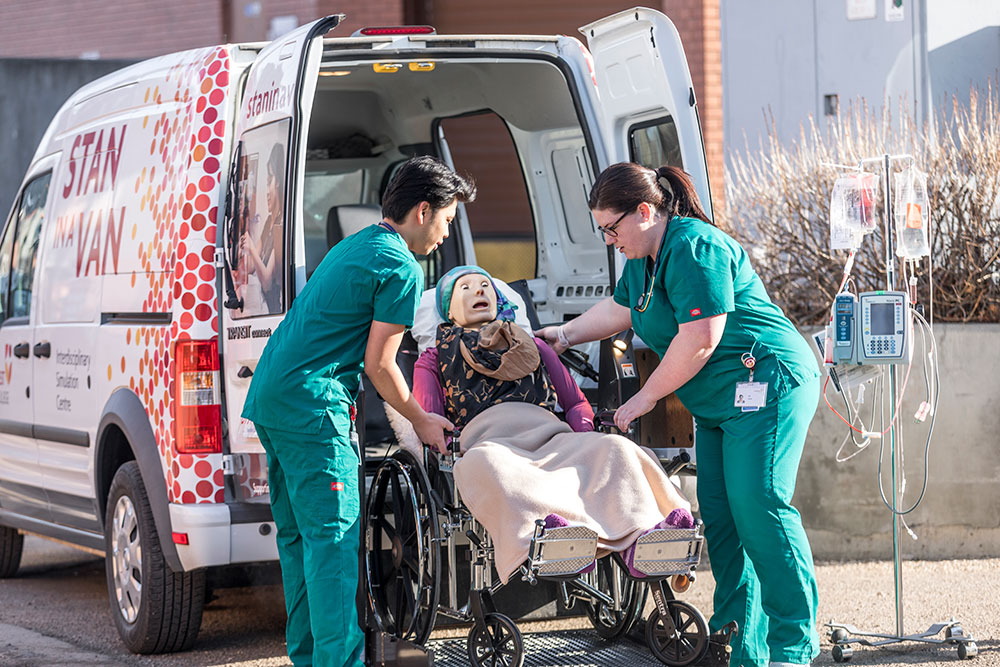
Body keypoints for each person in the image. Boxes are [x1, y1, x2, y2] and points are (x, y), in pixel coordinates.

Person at [537, 163, 821, 667]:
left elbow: (701, 338)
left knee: (760, 504)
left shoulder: (695, 246)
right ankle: (741, 648)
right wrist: (562, 335)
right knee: (725, 518)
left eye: (612, 228)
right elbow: (621, 310)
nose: (609, 240)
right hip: (718, 405)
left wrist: (642, 399)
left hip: (767, 384)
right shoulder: (643, 259)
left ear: (645, 212)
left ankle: (793, 647)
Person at [242, 156, 476, 667]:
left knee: (300, 540)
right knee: (334, 545)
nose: (445, 233)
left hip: (273, 398)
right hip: (312, 408)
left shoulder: (358, 245)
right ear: (422, 210)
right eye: (447, 220)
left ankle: (308, 659)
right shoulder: (400, 266)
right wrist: (422, 419)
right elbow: (380, 365)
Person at [411, 266, 691, 584]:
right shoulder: (434, 358)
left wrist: (584, 436)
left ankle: (647, 532)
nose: (478, 291)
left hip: (550, 434)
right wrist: (449, 448)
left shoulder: (535, 347)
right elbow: (430, 421)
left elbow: (573, 403)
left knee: (616, 447)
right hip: (489, 442)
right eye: (466, 288)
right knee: (493, 464)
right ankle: (553, 536)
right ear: (447, 309)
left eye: (485, 285)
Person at [241, 144, 284, 314]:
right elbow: (252, 266)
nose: (266, 192)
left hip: (273, 311)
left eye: (269, 183)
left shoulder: (281, 226)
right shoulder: (269, 223)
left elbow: (267, 281)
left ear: (279, 182)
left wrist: (251, 248)